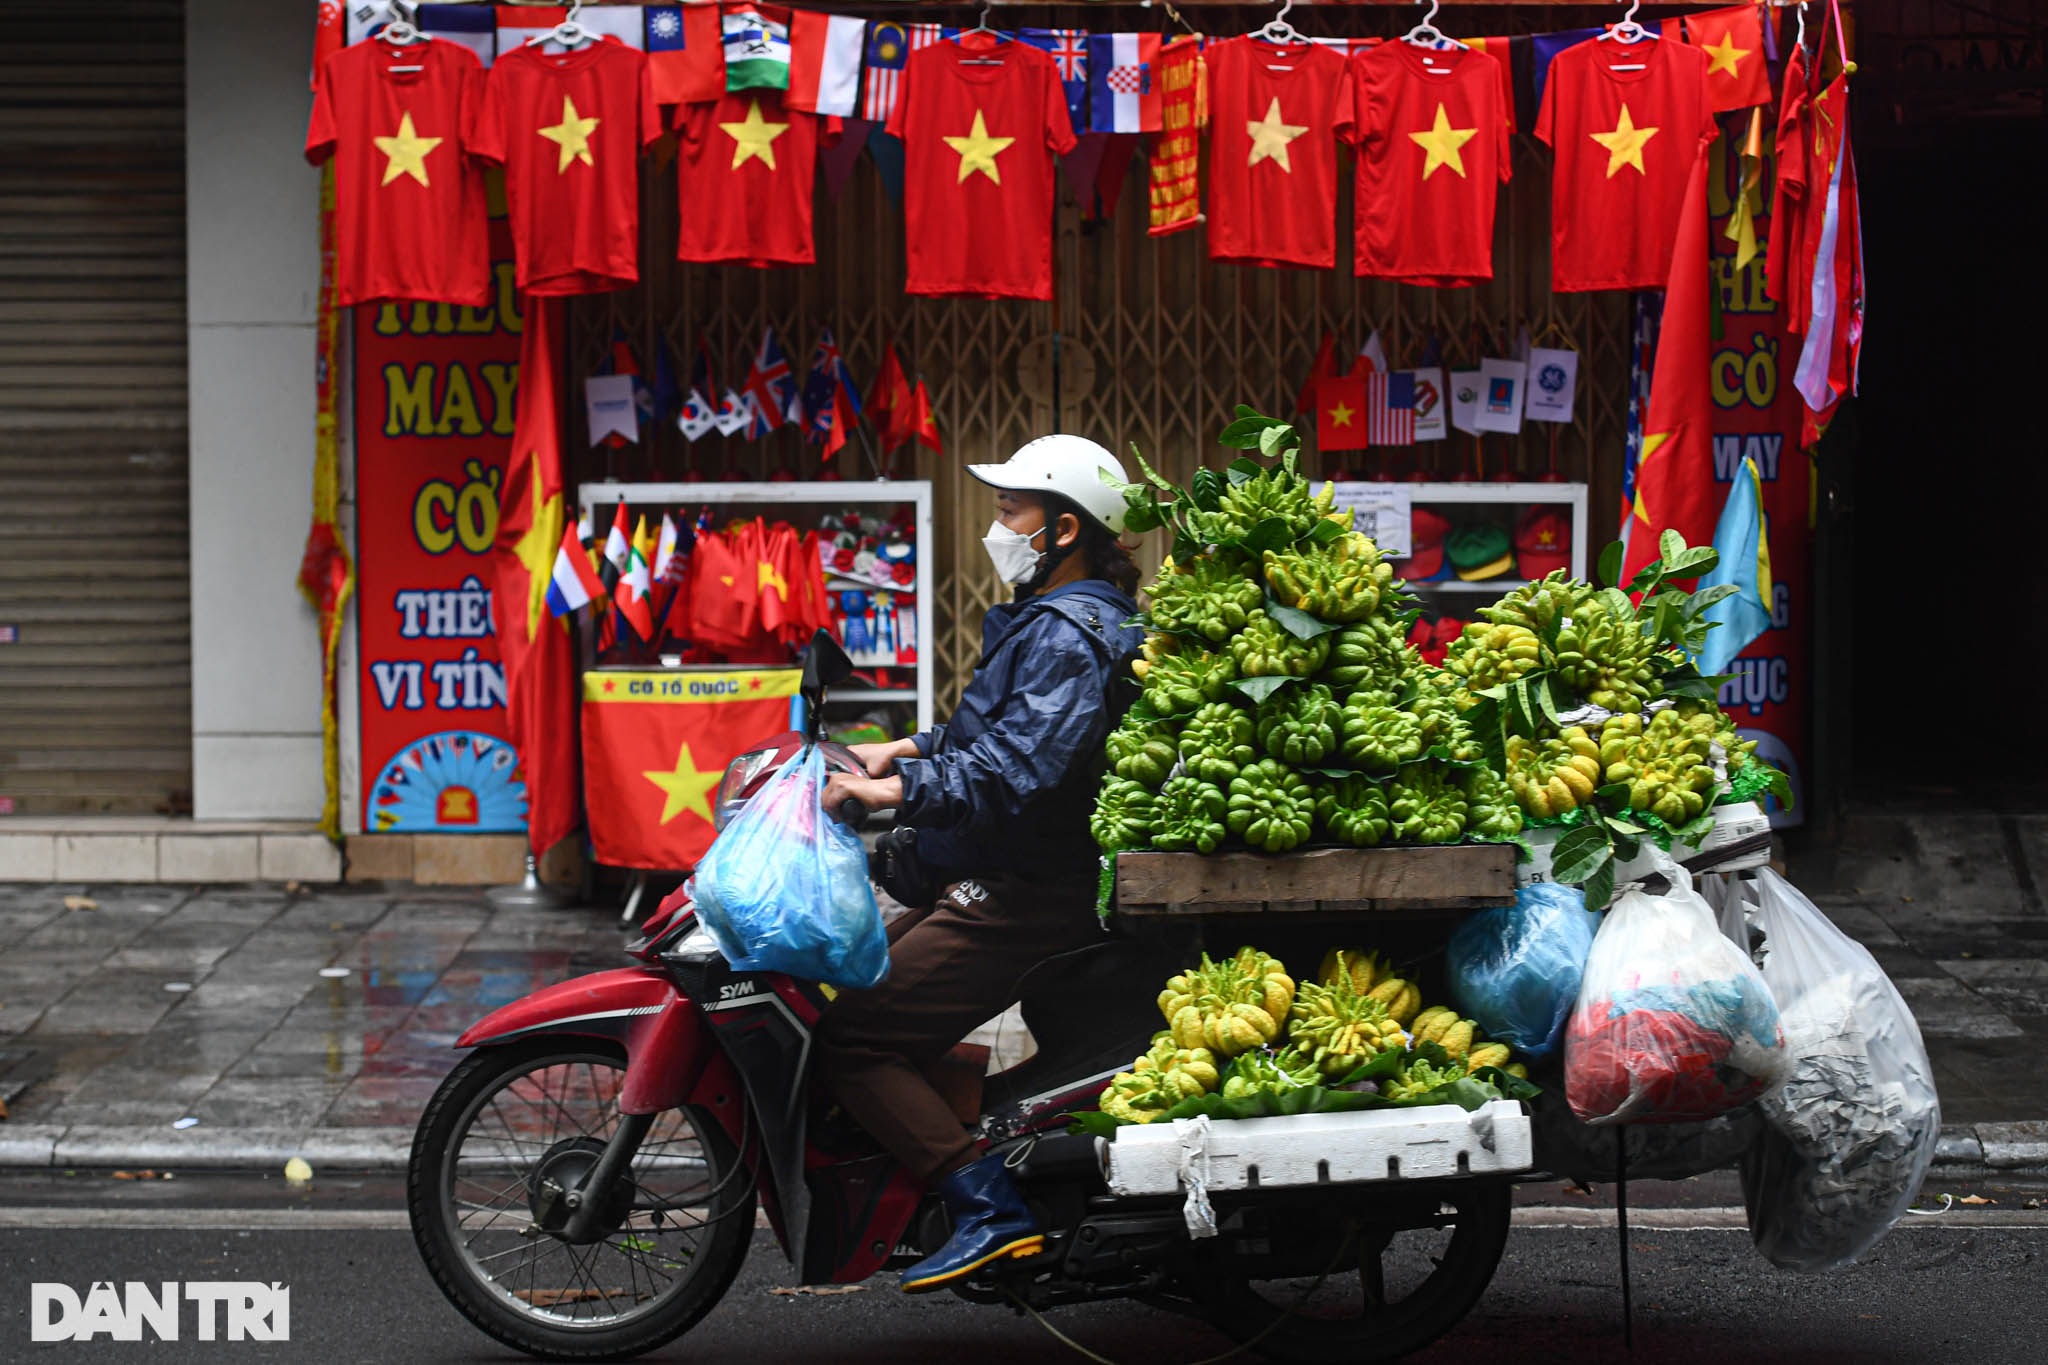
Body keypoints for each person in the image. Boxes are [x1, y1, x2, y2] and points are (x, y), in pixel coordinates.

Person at [814, 434, 1145, 1293]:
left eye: (1010, 509)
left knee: (854, 1037)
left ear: (1062, 528)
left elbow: (1016, 772)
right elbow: (1007, 736)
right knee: (872, 983)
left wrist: (896, 792)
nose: (996, 524)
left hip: (1029, 888)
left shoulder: (1074, 633)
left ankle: (991, 1206)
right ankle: (969, 1144)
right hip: (1009, 871)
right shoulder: (1059, 619)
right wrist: (910, 745)